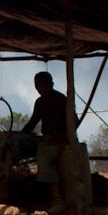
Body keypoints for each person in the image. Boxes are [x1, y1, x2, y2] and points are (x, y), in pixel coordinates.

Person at [20, 70, 75, 200]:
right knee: (19, 143)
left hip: (61, 138)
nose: (41, 89)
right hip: (47, 138)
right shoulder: (39, 102)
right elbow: (33, 122)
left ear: (51, 84)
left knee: (44, 160)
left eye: (44, 85)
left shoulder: (61, 100)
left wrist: (66, 136)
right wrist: (19, 135)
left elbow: (74, 121)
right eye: (38, 86)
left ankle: (57, 200)